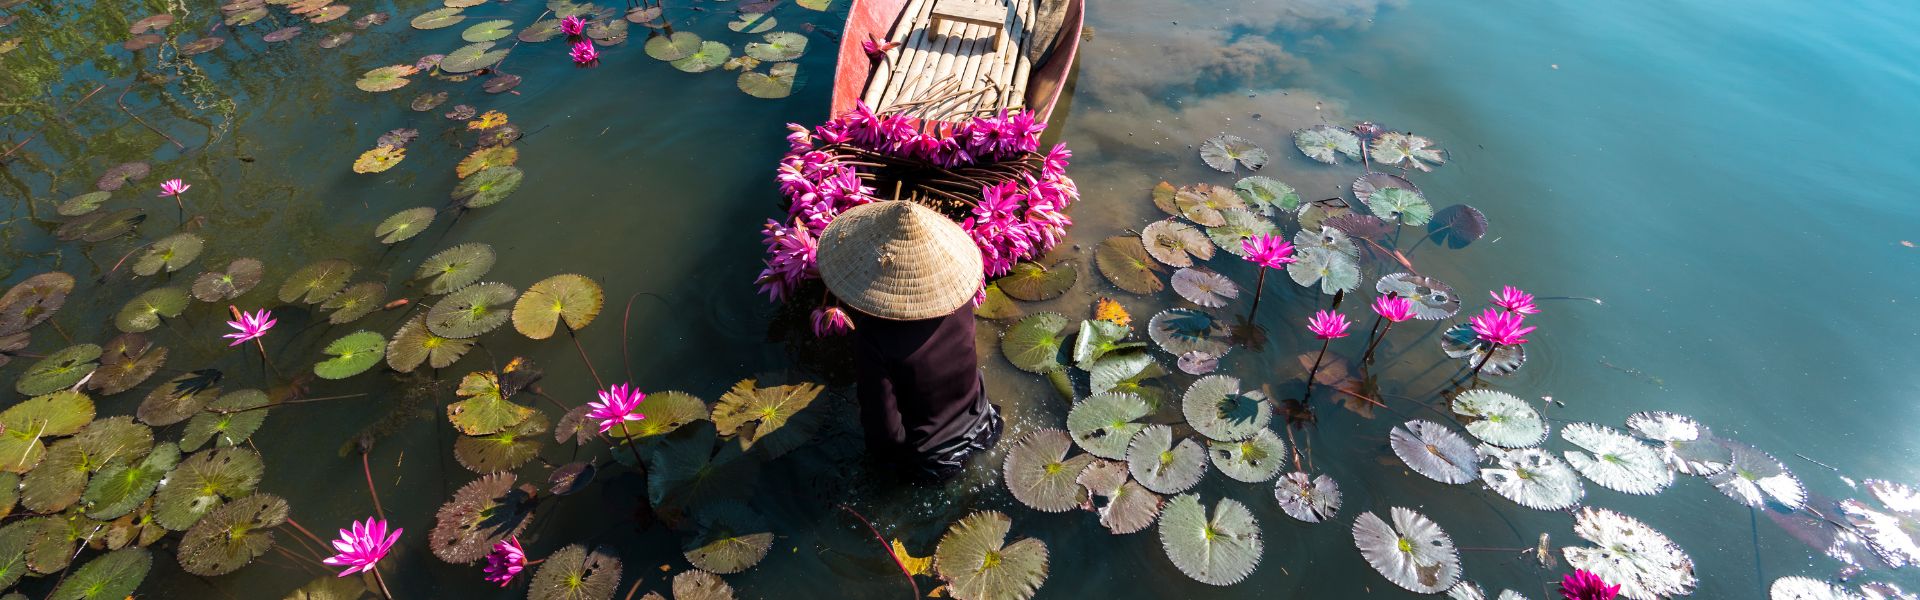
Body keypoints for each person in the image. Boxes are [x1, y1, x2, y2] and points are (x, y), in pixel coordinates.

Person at [817, 201, 1004, 481]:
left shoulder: (873, 337)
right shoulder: (957, 300)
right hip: (987, 425)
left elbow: (885, 433)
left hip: (934, 463)